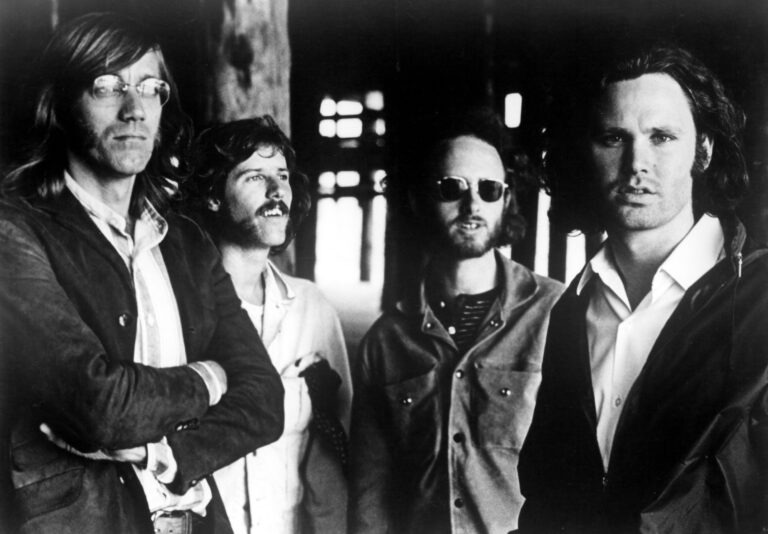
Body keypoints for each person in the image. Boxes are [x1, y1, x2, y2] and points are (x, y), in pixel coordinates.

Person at [0, 13, 284, 534]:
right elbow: (101, 406)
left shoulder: (187, 242)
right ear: (59, 105)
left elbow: (265, 399)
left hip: (193, 519)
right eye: (107, 86)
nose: (134, 109)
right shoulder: (16, 231)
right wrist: (211, 376)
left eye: (151, 88)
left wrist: (166, 454)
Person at [518, 44, 768, 533]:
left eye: (662, 137)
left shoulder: (761, 297)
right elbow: (549, 495)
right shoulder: (571, 310)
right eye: (614, 137)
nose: (637, 162)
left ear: (703, 150)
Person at [349, 108, 564, 534]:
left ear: (506, 200)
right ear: (417, 199)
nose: (472, 205)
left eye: (489, 189)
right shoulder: (385, 341)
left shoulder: (557, 314)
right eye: (451, 188)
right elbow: (371, 494)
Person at [184, 116, 352, 534]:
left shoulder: (312, 308)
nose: (278, 191)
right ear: (212, 196)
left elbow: (336, 449)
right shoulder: (179, 309)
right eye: (255, 177)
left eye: (283, 176)